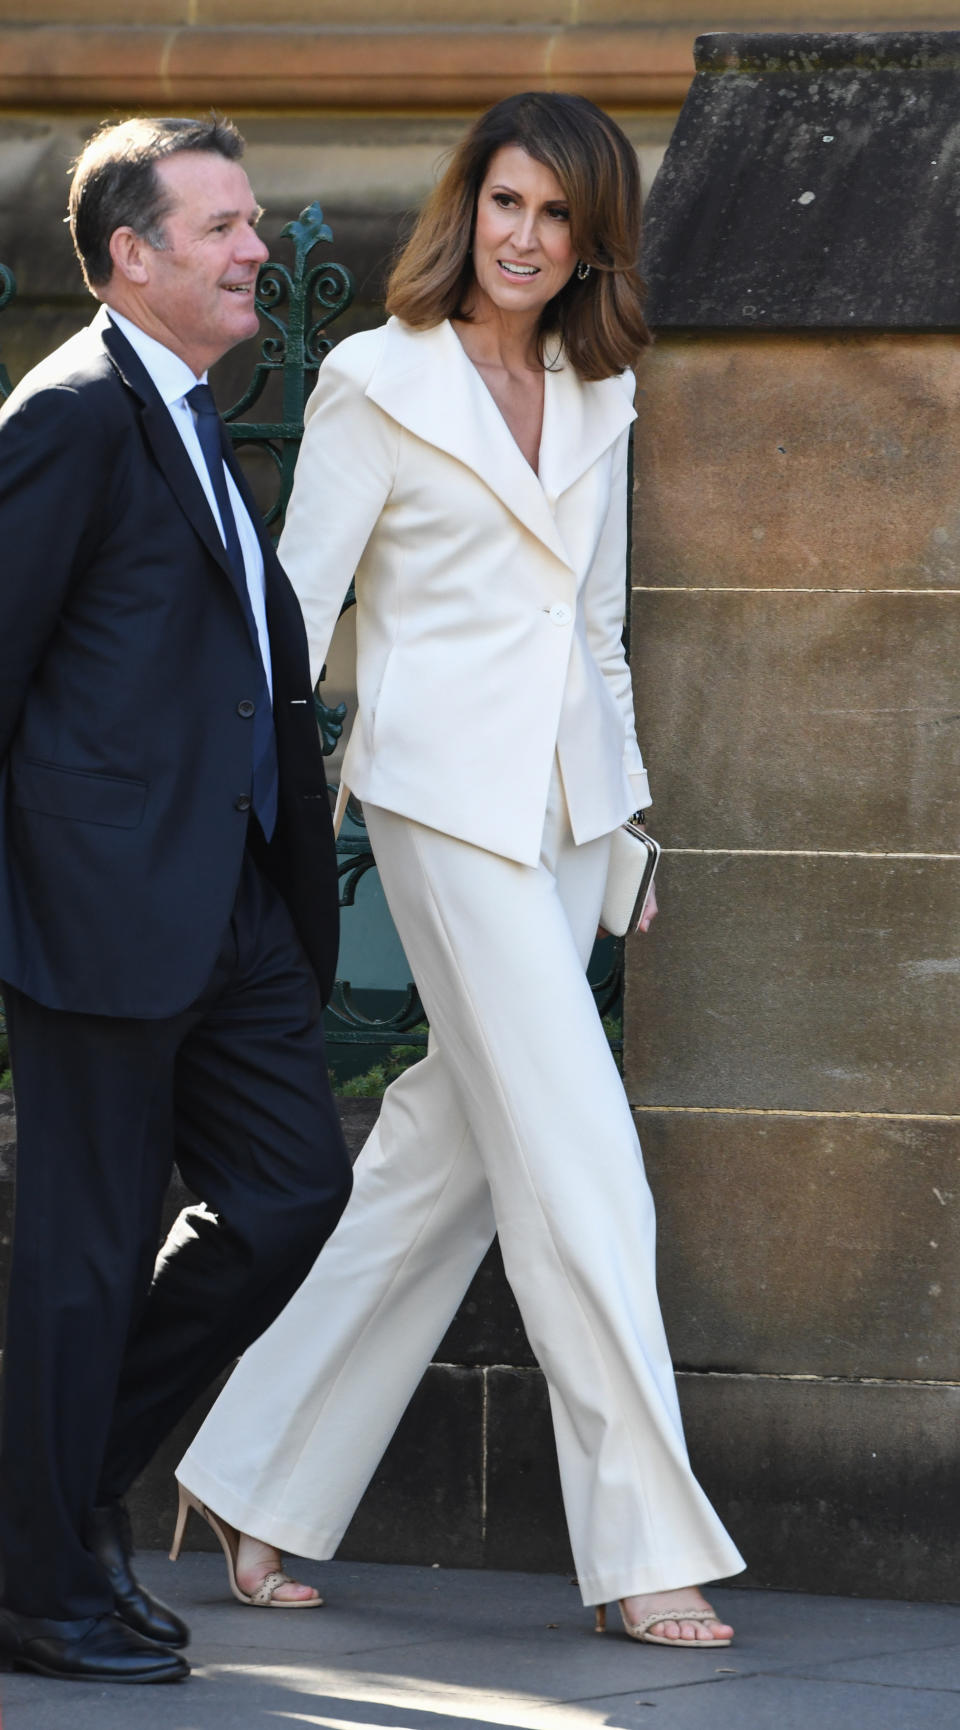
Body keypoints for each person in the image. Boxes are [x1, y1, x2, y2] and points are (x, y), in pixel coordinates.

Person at [176, 91, 745, 1647]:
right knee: (583, 1160)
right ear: (465, 203)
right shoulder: (373, 377)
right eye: (505, 201)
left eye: (557, 217)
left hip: (567, 819)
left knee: (447, 1158)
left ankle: (252, 1475)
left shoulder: (596, 388)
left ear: (588, 244)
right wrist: (235, 812)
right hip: (439, 807)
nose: (524, 236)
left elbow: (600, 630)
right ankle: (642, 1539)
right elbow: (293, 607)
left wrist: (629, 823)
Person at [0, 115, 354, 1684]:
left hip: (231, 910)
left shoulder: (196, 416)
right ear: (129, 255)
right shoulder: (73, 415)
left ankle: (48, 1498)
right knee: (80, 1257)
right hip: (97, 910)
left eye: (254, 221)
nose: (255, 249)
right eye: (220, 227)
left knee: (293, 1195)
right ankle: (37, 1573)